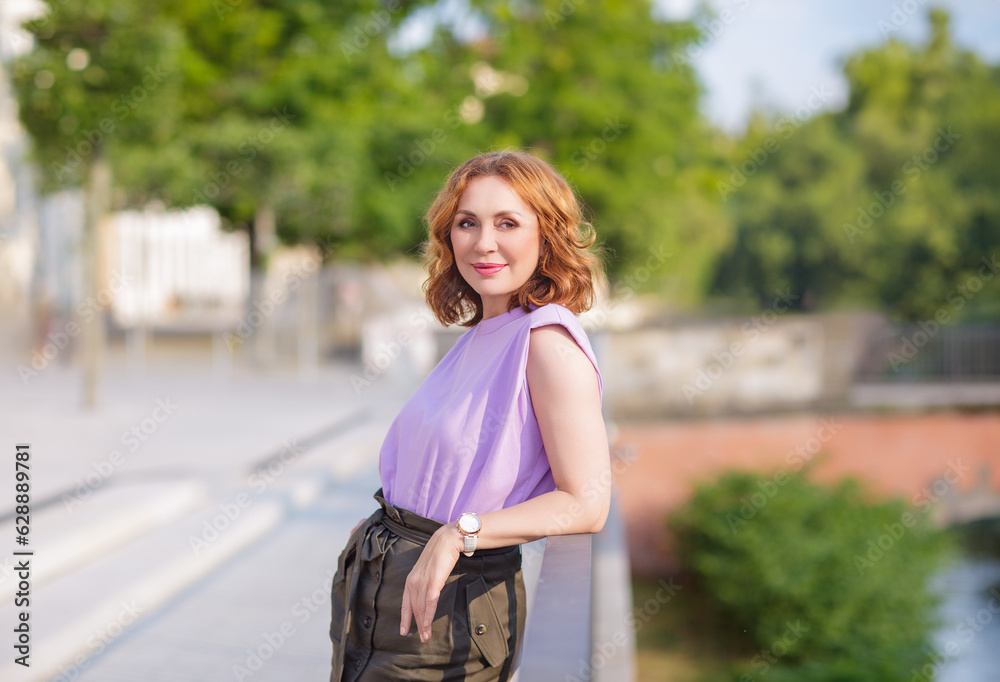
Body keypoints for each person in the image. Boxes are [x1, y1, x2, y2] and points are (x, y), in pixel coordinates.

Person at [329, 150, 611, 682]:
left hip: (449, 612)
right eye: (467, 223)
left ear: (546, 235)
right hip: (377, 589)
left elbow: (587, 503)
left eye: (507, 223)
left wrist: (460, 533)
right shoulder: (479, 336)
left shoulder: (546, 339)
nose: (484, 242)